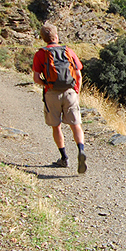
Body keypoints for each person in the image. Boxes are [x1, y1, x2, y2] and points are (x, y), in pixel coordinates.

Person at [32, 23, 87, 174]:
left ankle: (64, 158)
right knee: (76, 124)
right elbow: (79, 75)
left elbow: (36, 78)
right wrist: (76, 91)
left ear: (43, 39)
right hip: (70, 92)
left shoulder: (40, 54)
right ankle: (81, 150)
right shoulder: (68, 51)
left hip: (52, 93)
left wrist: (47, 84)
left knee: (56, 126)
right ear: (56, 36)